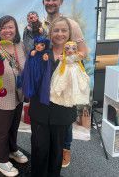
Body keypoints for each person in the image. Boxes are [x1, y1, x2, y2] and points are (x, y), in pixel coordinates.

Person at [42, 0, 88, 167]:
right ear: (43, 2)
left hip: (66, 74)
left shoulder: (71, 25)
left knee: (66, 112)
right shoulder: (41, 25)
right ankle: (52, 148)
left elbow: (83, 50)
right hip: (48, 75)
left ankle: (65, 149)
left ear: (61, 1)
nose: (51, 2)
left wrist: (70, 60)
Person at [29, 17, 77, 177]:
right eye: (56, 30)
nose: (60, 33)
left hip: (62, 113)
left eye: (64, 30)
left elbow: (78, 85)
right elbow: (32, 78)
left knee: (57, 152)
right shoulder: (41, 53)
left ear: (70, 33)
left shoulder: (75, 58)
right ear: (50, 33)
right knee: (39, 149)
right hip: (40, 111)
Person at [0, 15, 28, 177]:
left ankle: (12, 150)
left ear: (16, 29)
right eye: (3, 28)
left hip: (18, 93)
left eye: (10, 27)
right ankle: (0, 160)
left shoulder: (20, 45)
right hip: (2, 96)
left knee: (13, 126)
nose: (7, 31)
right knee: (1, 130)